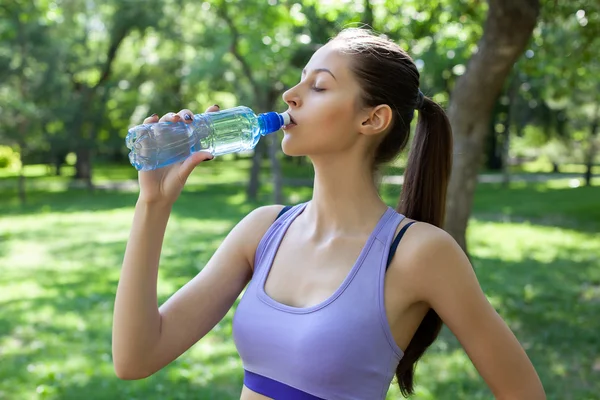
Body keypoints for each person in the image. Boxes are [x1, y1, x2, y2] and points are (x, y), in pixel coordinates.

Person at [112, 28, 546, 399]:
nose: (289, 96)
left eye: (318, 86)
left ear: (372, 119)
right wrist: (153, 204)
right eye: (300, 81)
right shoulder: (263, 230)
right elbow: (136, 357)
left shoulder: (419, 253)